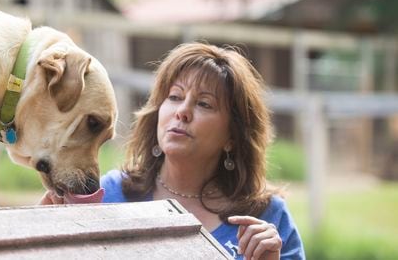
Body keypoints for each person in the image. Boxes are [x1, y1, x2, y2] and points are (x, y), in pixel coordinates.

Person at [40, 43, 305, 259]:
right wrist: (46, 235)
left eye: (204, 104)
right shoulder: (107, 197)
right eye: (175, 97)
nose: (182, 112)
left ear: (232, 138)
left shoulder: (268, 217)